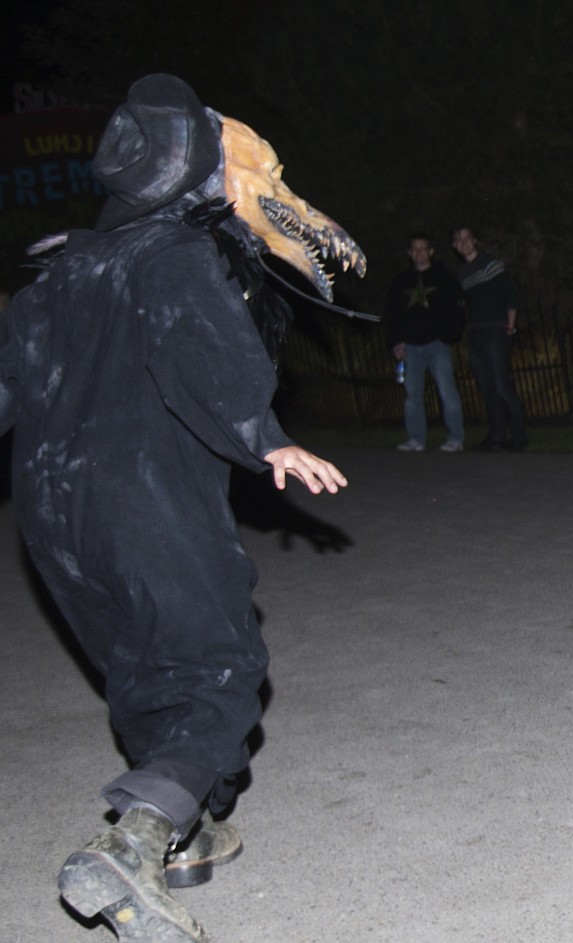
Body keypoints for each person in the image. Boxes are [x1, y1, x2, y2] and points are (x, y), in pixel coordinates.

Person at [0, 75, 359, 942]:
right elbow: (198, 345)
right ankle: (132, 845)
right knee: (214, 665)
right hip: (141, 489)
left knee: (144, 665)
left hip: (48, 511)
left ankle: (189, 831)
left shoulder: (59, 272)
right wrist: (262, 435)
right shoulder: (172, 257)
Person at [385, 232, 466, 452]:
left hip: (436, 344)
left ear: (431, 251)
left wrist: (449, 335)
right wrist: (396, 342)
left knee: (447, 391)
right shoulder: (401, 282)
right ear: (410, 253)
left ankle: (456, 438)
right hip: (410, 346)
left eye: (423, 249)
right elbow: (392, 315)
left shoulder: (444, 278)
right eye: (415, 249)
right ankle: (416, 438)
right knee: (412, 395)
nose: (419, 253)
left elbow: (458, 307)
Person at [451, 225, 528, 451]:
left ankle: (519, 436)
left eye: (467, 238)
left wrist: (510, 326)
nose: (464, 242)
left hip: (496, 330)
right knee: (487, 387)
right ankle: (496, 436)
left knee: (502, 386)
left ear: (475, 240)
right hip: (476, 332)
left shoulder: (491, 264)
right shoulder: (463, 273)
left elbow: (510, 295)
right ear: (455, 246)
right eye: (459, 239)